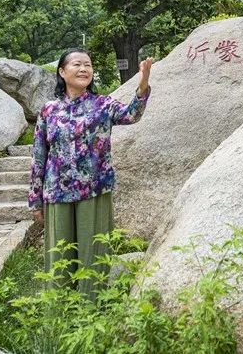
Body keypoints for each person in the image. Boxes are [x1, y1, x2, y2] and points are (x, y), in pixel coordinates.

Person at [28, 47, 153, 300]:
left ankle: (92, 310)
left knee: (93, 254)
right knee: (59, 256)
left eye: (88, 65)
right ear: (62, 72)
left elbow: (131, 115)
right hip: (57, 191)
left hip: (93, 189)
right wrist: (35, 198)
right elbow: (39, 155)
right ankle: (59, 312)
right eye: (77, 64)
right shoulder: (49, 110)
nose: (84, 69)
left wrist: (143, 85)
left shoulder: (102, 104)